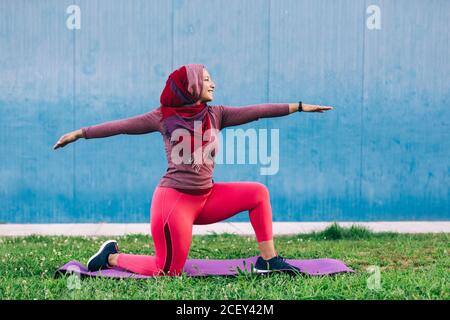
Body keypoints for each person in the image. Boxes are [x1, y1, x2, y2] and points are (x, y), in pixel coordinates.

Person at [53, 64, 333, 276]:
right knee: (167, 272)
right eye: (208, 79)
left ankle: (268, 261)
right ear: (192, 86)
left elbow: (257, 110)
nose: (214, 84)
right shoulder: (163, 117)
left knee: (258, 193)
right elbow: (122, 126)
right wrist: (80, 133)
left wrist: (297, 107)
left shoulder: (216, 114)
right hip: (174, 204)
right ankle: (111, 257)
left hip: (206, 197)